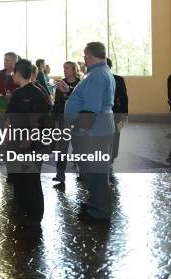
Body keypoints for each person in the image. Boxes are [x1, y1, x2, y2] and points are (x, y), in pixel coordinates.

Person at [64, 42, 115, 222]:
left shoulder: (96, 75)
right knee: (93, 172)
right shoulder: (100, 72)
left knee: (96, 173)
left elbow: (90, 110)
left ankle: (100, 210)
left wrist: (76, 126)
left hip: (93, 133)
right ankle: (95, 203)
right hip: (97, 130)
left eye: (85, 56)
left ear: (89, 55)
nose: (84, 59)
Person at [6, 59, 51, 227]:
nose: (12, 75)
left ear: (18, 74)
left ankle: (35, 214)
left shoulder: (37, 93)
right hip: (15, 143)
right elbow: (9, 117)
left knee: (31, 179)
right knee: (18, 177)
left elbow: (39, 121)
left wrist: (29, 139)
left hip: (31, 145)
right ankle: (22, 206)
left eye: (14, 73)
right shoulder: (17, 93)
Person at [52, 61, 81, 184]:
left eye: (67, 68)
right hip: (63, 121)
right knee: (62, 148)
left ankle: (82, 172)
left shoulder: (80, 84)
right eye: (64, 68)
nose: (65, 70)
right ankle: (60, 174)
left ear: (74, 70)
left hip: (77, 121)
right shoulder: (60, 84)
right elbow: (57, 104)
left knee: (79, 148)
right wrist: (55, 121)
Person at [106, 58, 128, 167]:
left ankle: (113, 155)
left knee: (115, 133)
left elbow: (123, 97)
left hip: (116, 112)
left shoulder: (118, 79)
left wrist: (125, 114)